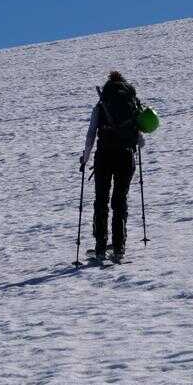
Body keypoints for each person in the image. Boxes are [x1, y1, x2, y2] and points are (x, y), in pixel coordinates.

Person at [80, 71, 144, 261]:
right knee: (120, 201)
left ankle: (100, 247)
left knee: (101, 201)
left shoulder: (101, 105)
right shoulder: (132, 105)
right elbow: (141, 141)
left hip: (104, 156)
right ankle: (119, 247)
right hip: (125, 156)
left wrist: (85, 158)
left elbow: (91, 134)